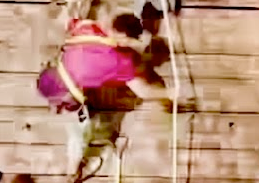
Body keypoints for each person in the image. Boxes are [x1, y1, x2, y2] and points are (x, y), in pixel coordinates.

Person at [36, 13, 176, 113]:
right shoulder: (118, 62)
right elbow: (143, 91)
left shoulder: (87, 28)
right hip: (70, 80)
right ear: (124, 38)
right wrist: (170, 93)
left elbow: (69, 21)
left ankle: (57, 100)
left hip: (62, 67)